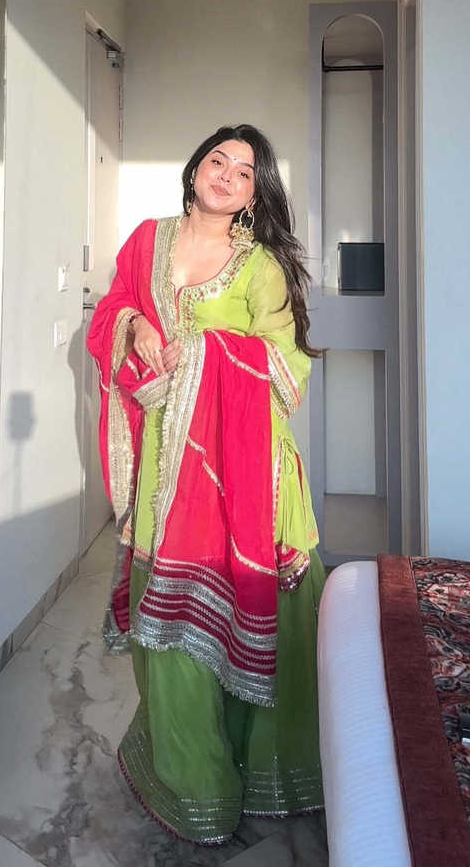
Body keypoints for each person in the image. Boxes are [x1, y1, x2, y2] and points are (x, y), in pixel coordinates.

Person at [87, 124, 325, 845]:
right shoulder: (147, 241)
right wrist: (134, 322)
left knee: (252, 616)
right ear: (195, 169)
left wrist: (205, 352)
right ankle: (193, 783)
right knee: (168, 623)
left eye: (244, 171)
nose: (226, 174)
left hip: (241, 470)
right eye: (217, 160)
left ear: (253, 195)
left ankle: (267, 773)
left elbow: (288, 370)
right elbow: (110, 310)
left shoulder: (261, 267)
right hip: (166, 462)